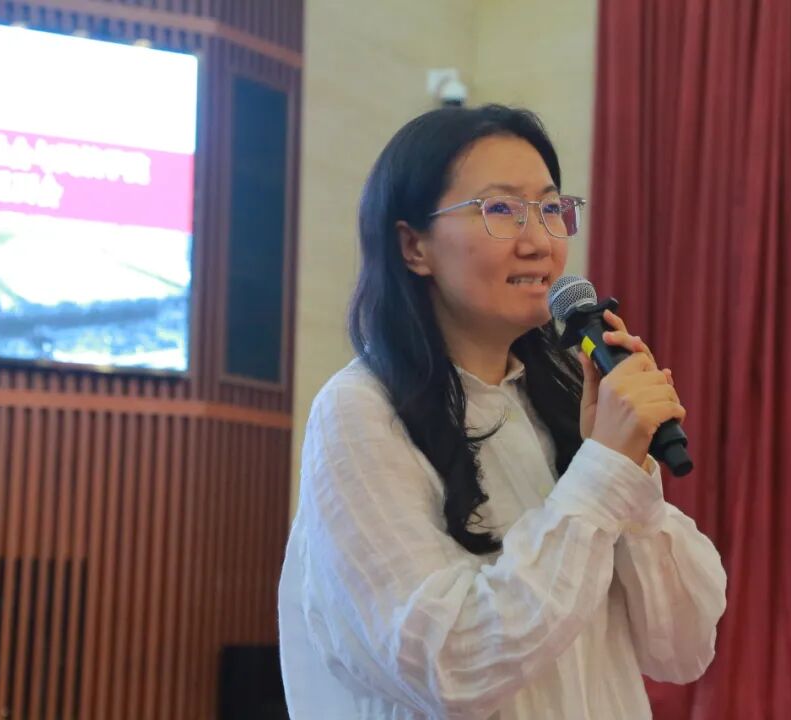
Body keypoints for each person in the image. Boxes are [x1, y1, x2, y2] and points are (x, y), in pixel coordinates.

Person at [277, 104, 727, 719]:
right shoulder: (360, 413)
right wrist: (602, 475)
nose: (538, 241)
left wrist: (630, 469)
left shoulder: (560, 404)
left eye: (550, 209)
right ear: (413, 246)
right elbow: (452, 665)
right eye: (500, 210)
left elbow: (682, 648)